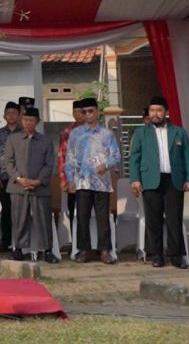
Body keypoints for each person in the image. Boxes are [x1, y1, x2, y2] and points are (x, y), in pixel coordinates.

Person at [129, 96, 189, 269]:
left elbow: (187, 156)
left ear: (166, 112)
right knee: (153, 220)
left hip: (173, 180)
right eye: (152, 110)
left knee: (174, 218)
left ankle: (176, 255)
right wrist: (135, 179)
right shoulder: (140, 133)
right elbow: (134, 158)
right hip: (150, 180)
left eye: (158, 110)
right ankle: (157, 255)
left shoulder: (178, 132)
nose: (155, 114)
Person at [64, 97, 120, 264]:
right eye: (84, 112)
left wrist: (106, 164)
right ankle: (83, 250)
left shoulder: (107, 134)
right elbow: (70, 158)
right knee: (82, 217)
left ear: (97, 112)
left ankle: (105, 250)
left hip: (102, 183)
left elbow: (116, 155)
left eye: (90, 111)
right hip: (82, 182)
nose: (87, 114)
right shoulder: (75, 134)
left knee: (103, 218)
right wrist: (70, 179)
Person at [3, 107, 57, 263]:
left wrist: (38, 181)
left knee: (43, 220)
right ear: (22, 120)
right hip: (18, 186)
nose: (28, 123)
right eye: (25, 120)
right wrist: (19, 178)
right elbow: (9, 162)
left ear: (37, 122)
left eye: (31, 120)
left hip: (40, 187)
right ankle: (18, 249)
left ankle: (47, 250)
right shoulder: (13, 139)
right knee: (19, 219)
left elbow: (49, 163)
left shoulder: (46, 141)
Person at [0, 102, 22, 251]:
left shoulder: (23, 132)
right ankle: (6, 242)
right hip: (3, 176)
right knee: (7, 209)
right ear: (4, 116)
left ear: (19, 115)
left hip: (21, 177)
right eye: (8, 113)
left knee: (20, 210)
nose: (11, 116)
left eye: (14, 113)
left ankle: (21, 243)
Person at [58, 100, 85, 230]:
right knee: (73, 211)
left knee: (88, 212)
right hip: (72, 179)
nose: (78, 114)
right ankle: (76, 243)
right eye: (75, 112)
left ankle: (92, 243)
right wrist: (63, 178)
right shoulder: (67, 132)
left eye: (80, 111)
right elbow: (62, 156)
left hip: (90, 179)